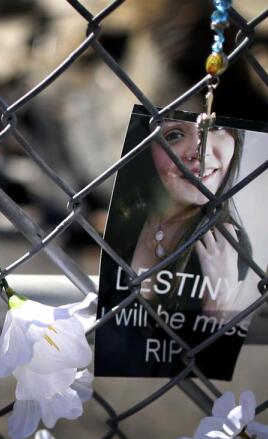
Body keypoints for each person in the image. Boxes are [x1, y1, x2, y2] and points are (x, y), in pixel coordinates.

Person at [107, 119, 252, 318]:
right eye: (174, 135)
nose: (200, 153)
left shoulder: (229, 247)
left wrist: (217, 308)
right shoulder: (124, 217)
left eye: (216, 127)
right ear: (146, 145)